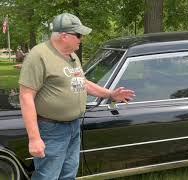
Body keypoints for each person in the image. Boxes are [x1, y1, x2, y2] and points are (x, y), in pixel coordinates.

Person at [19, 13, 135, 180]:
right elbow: (26, 96)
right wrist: (35, 138)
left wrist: (110, 94)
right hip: (52, 129)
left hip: (73, 126)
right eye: (79, 35)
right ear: (64, 36)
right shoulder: (39, 55)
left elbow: (83, 83)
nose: (82, 39)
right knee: (48, 176)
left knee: (68, 173)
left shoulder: (72, 56)